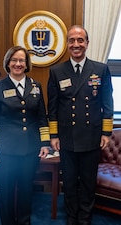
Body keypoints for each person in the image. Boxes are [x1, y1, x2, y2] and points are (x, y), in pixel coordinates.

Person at [47, 25, 113, 225]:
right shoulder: (57, 71)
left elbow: (107, 102)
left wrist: (106, 132)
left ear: (87, 43)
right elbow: (53, 106)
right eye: (72, 40)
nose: (76, 44)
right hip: (66, 138)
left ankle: (85, 218)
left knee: (87, 182)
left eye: (80, 40)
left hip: (92, 136)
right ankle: (71, 217)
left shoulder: (100, 69)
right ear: (67, 44)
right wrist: (54, 135)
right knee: (68, 181)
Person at [0, 46, 50, 225]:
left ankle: (24, 222)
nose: (18, 64)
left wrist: (45, 144)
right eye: (14, 60)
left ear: (27, 63)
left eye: (22, 60)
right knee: (5, 192)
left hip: (30, 150)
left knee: (26, 191)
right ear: (8, 63)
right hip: (4, 151)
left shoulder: (35, 86)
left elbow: (42, 118)